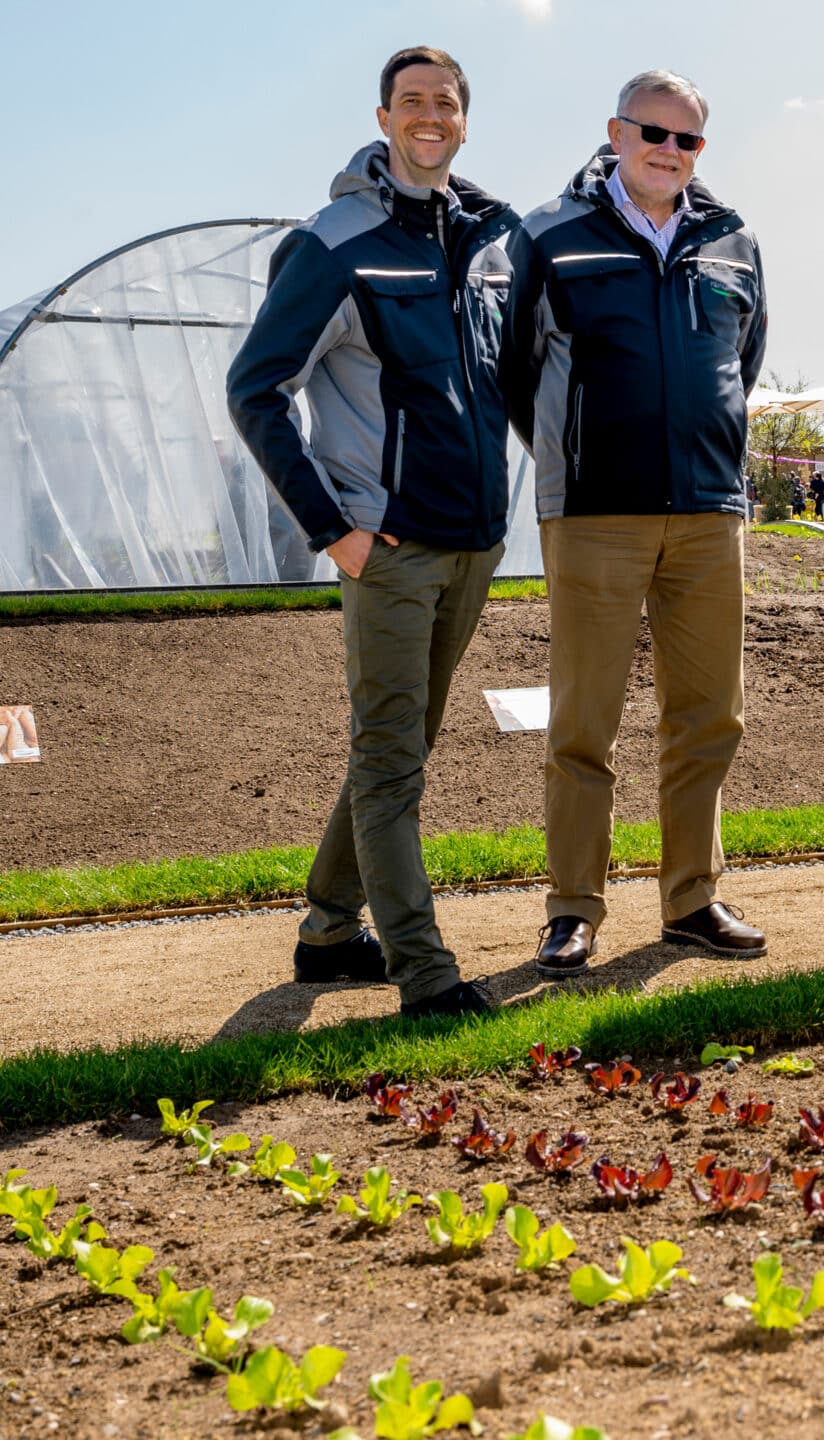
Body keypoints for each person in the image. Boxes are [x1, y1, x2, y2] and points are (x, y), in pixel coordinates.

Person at [225, 46, 518, 1017]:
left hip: (473, 543)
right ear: (384, 117)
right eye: (412, 103)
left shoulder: (486, 235)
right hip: (387, 549)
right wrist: (332, 531)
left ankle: (324, 933)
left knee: (398, 751)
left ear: (463, 120)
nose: (430, 116)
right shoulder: (335, 242)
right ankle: (424, 975)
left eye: (446, 103)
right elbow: (255, 390)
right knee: (392, 758)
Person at [502, 69, 770, 976]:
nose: (669, 151)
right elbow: (514, 368)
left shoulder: (732, 241)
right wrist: (570, 455)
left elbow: (742, 362)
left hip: (708, 511)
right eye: (653, 133)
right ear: (616, 133)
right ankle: (573, 909)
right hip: (594, 513)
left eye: (688, 139)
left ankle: (693, 900)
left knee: (709, 716)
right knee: (586, 721)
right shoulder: (549, 235)